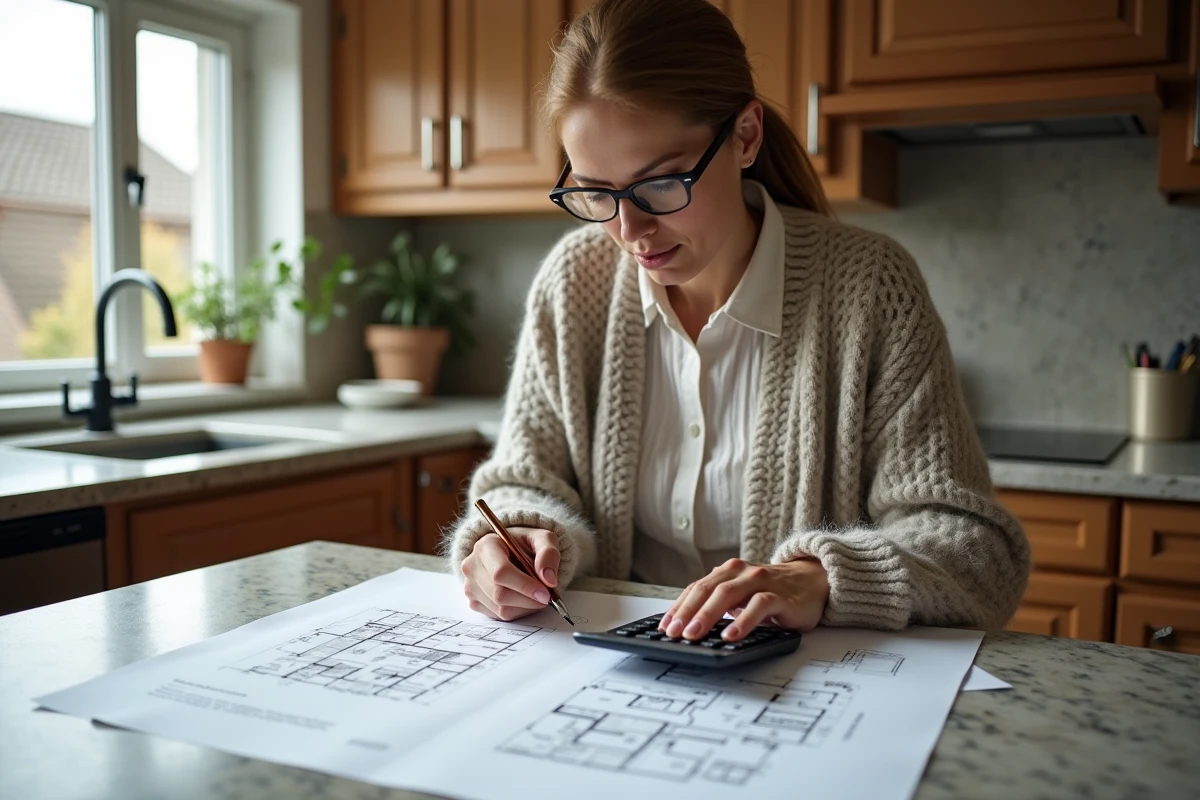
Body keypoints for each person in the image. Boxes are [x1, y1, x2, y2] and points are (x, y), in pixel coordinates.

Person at [442, 0, 1029, 643]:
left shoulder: (869, 288)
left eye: (661, 183)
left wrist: (819, 579)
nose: (629, 230)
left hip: (802, 695)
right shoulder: (573, 283)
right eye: (596, 192)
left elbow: (978, 554)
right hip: (612, 672)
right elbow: (527, 478)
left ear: (745, 137)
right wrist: (522, 541)